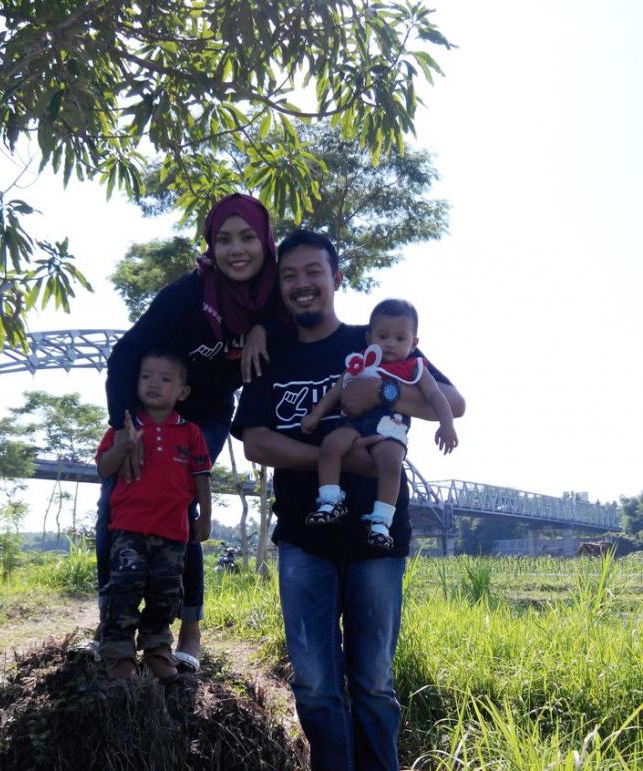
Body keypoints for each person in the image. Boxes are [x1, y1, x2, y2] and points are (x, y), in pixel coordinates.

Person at [232, 230, 464, 771]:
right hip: (303, 539)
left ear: (337, 279)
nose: (301, 284)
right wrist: (330, 460)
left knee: (375, 682)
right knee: (314, 683)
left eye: (313, 272)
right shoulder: (272, 355)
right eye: (288, 276)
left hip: (375, 540)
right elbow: (256, 441)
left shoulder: (376, 341)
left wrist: (384, 391)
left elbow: (452, 401)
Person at [100, 192, 282, 672]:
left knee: (182, 507)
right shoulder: (186, 296)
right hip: (149, 414)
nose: (236, 249)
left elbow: (304, 321)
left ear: (265, 242)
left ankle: (187, 630)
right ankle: (112, 629)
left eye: (247, 237)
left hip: (207, 416)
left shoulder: (280, 293)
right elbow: (124, 356)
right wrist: (127, 426)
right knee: (113, 504)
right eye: (223, 239)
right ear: (210, 247)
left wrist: (265, 324)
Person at [301, 298, 458, 550]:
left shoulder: (413, 367)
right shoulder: (360, 363)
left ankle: (381, 522)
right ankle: (330, 501)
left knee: (391, 463)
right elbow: (337, 390)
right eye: (383, 336)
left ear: (414, 344)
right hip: (352, 425)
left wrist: (446, 424)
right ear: (369, 338)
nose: (390, 344)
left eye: (400, 339)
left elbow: (436, 396)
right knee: (330, 446)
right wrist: (316, 414)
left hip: (389, 429)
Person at [96, 351, 212, 680]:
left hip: (174, 532)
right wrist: (123, 445)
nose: (153, 384)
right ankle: (119, 652)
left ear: (182, 391)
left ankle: (158, 648)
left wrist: (204, 515)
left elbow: (202, 475)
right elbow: (104, 467)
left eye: (165, 379)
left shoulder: (191, 432)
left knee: (165, 592)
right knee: (124, 588)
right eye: (146, 377)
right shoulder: (125, 425)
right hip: (128, 529)